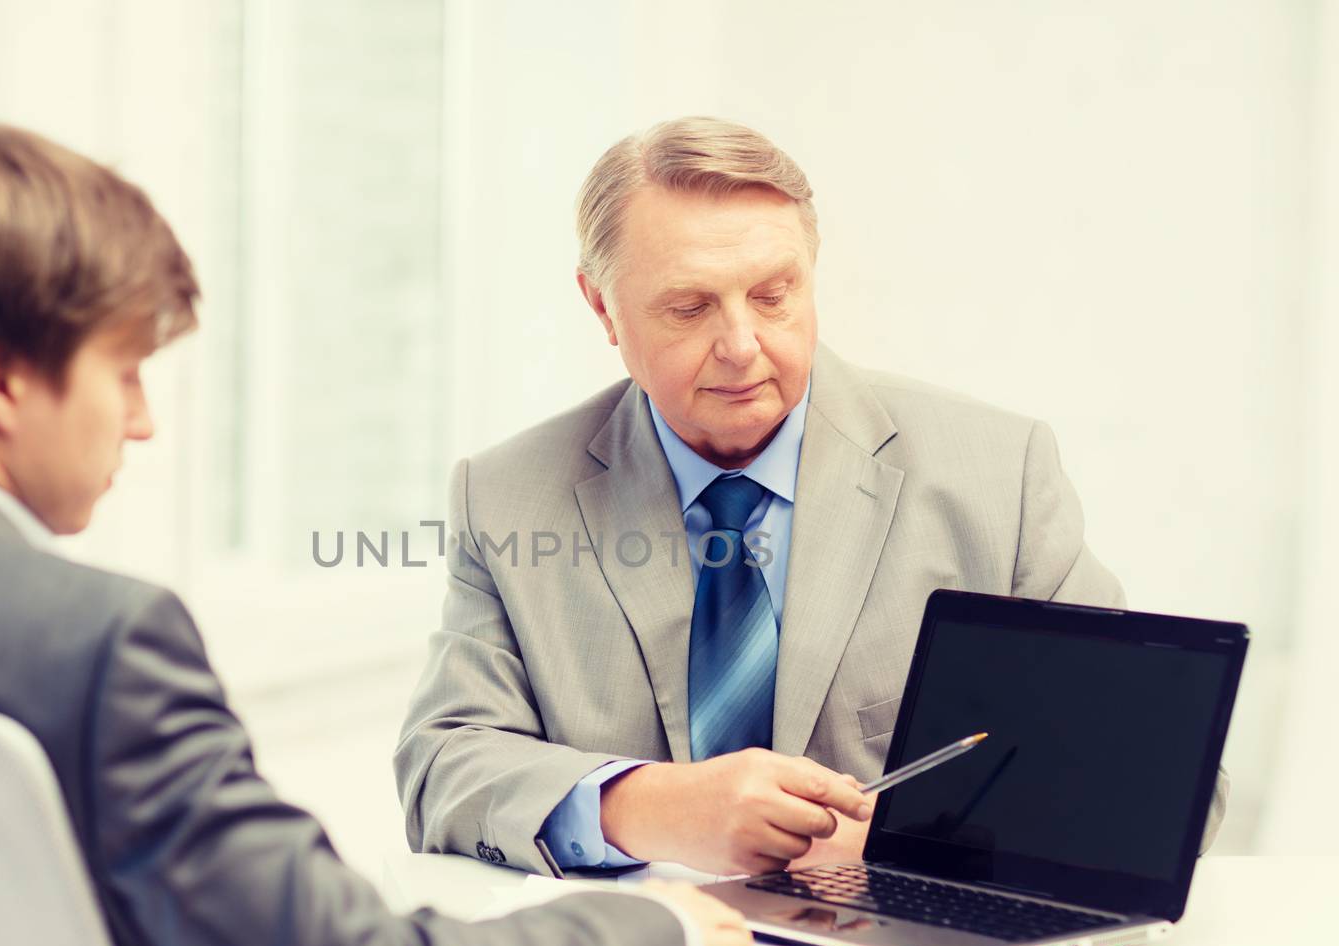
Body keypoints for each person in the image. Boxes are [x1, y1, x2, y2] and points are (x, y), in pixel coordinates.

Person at [0, 124, 753, 946]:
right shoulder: (99, 649)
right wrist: (655, 927)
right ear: (0, 384)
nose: (139, 422)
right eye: (124, 370)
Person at [395, 116, 1228, 879]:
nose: (741, 346)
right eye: (688, 307)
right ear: (600, 307)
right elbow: (444, 763)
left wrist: (907, 837)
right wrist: (645, 805)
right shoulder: (505, 497)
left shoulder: (995, 472)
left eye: (773, 294)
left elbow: (1163, 777)